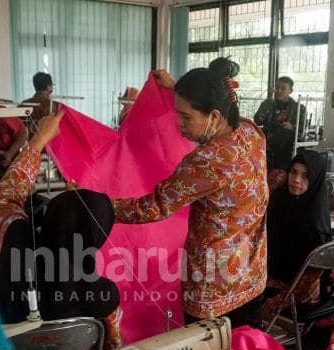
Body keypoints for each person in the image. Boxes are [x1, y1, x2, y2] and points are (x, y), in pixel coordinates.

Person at [111, 58, 269, 323]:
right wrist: (176, 88)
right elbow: (216, 106)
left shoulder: (207, 160)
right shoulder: (251, 132)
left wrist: (97, 203)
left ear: (215, 116)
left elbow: (154, 207)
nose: (179, 124)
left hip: (214, 292)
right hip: (252, 276)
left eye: (185, 117)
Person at [0, 110, 122, 350]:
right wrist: (84, 207)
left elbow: (6, 196)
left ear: (52, 216)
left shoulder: (16, 239)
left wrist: (39, 140)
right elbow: (111, 348)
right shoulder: (104, 296)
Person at [262, 150, 332, 318]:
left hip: (298, 290)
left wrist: (280, 300)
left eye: (305, 176)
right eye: (293, 172)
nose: (296, 180)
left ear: (315, 180)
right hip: (276, 273)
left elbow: (313, 275)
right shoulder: (280, 199)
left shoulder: (314, 219)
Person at [254, 76, 307, 176]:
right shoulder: (268, 104)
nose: (279, 91)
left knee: (285, 134)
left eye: (283, 88)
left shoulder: (299, 108)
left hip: (286, 147)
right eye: (277, 87)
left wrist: (292, 127)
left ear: (290, 90)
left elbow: (302, 133)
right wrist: (267, 104)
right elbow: (257, 121)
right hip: (267, 143)